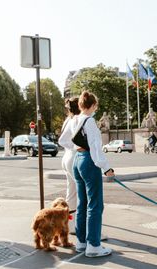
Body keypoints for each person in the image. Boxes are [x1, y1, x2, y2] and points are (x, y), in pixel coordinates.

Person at [72, 91, 114, 257]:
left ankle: (81, 242)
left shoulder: (75, 119)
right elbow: (96, 148)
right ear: (93, 105)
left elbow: (68, 140)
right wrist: (106, 168)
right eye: (96, 105)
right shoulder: (90, 121)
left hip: (77, 160)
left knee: (82, 204)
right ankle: (94, 246)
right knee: (95, 205)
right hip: (89, 161)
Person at [57, 97, 80, 234]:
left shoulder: (68, 120)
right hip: (74, 157)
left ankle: (69, 225)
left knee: (71, 193)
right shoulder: (77, 120)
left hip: (66, 157)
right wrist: (77, 147)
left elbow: (62, 140)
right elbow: (63, 140)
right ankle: (85, 228)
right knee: (83, 194)